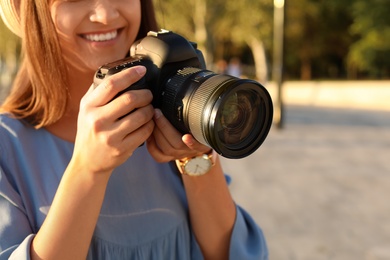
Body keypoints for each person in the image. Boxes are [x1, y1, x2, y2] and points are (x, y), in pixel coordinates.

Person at [0, 0, 268, 259]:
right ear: (34, 12)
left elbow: (234, 254)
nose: (105, 14)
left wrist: (196, 158)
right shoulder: (7, 147)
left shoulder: (171, 112)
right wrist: (88, 169)